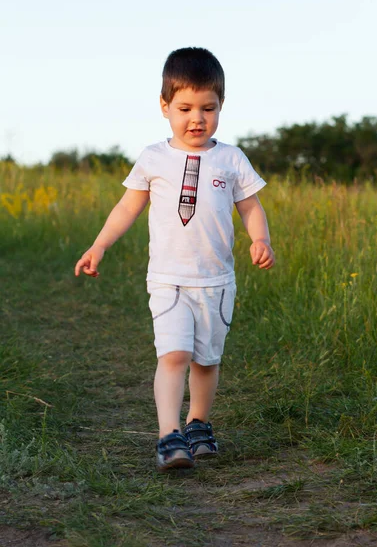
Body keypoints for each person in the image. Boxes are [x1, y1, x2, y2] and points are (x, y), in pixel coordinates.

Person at [75, 47, 275, 471]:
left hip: (217, 282)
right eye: (184, 107)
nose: (197, 118)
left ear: (221, 106)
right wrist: (99, 245)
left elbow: (251, 207)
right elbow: (127, 208)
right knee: (174, 355)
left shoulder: (231, 159)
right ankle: (169, 435)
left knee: (206, 360)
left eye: (209, 107)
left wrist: (260, 239)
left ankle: (198, 422)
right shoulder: (153, 158)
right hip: (168, 279)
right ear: (165, 106)